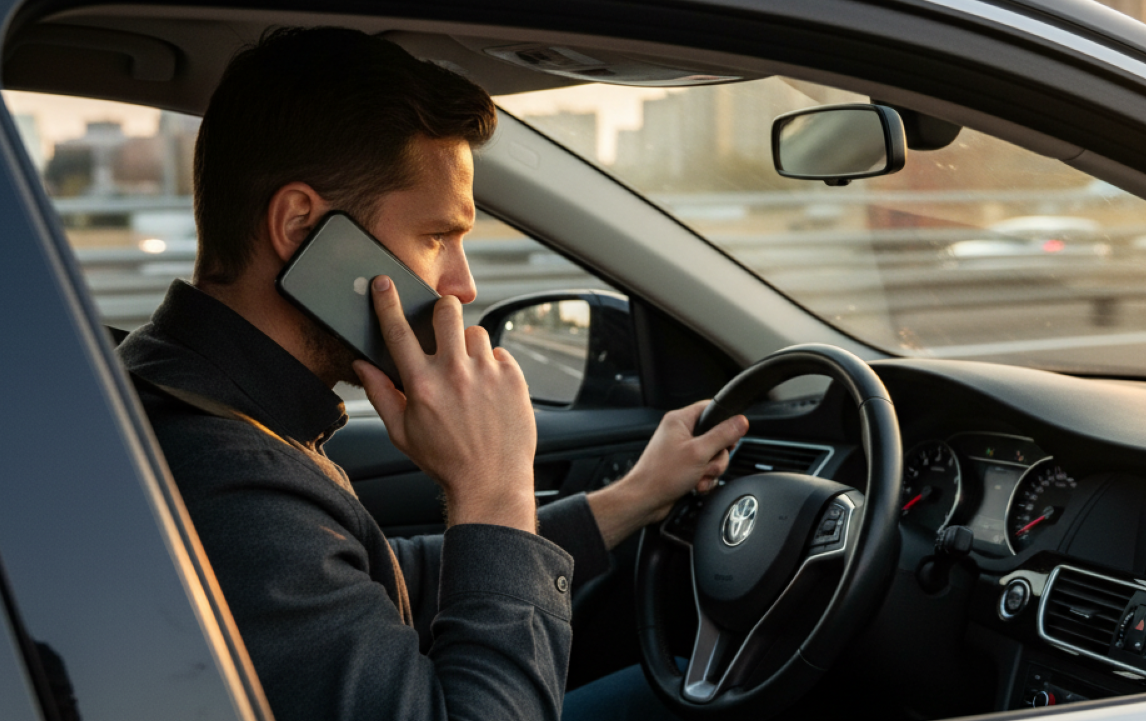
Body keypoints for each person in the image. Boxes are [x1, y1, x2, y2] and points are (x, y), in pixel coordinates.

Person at [117, 26, 749, 721]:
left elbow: (378, 581)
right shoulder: (230, 484)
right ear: (300, 226)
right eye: (437, 236)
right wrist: (494, 484)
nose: (463, 285)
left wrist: (634, 495)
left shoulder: (194, 395)